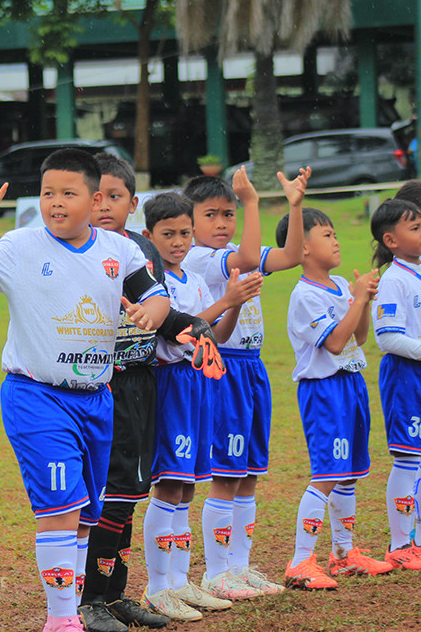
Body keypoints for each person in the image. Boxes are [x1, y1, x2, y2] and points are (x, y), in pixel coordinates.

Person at [0, 149, 170, 632]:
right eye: (47, 192)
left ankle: (69, 611)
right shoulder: (19, 246)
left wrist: (151, 311)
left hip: (97, 400)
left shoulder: (120, 250)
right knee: (60, 509)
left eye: (67, 193)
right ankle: (61, 620)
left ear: (94, 200)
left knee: (86, 516)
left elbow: (155, 294)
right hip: (37, 396)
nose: (54, 202)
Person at [80, 154, 224, 632]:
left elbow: (157, 310)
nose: (103, 206)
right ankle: (89, 599)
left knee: (132, 490)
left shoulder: (140, 248)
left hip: (144, 381)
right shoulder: (78, 251)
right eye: (94, 196)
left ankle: (116, 593)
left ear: (131, 203)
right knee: (109, 493)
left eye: (114, 197)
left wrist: (194, 326)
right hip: (105, 383)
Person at [180, 166, 307, 599]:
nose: (222, 223)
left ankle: (239, 565)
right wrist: (252, 201)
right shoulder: (199, 256)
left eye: (229, 214)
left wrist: (293, 205)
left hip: (252, 367)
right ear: (190, 221)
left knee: (250, 473)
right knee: (226, 474)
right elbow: (251, 261)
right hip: (224, 366)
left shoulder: (236, 247)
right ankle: (217, 572)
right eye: (211, 215)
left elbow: (290, 258)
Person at [139, 192, 262, 621]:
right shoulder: (155, 284)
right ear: (147, 236)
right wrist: (226, 300)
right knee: (169, 485)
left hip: (200, 384)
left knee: (188, 488)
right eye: (167, 234)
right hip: (171, 383)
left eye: (185, 233)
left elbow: (215, 334)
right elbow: (180, 333)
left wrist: (235, 302)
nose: (178, 242)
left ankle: (180, 581)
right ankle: (158, 588)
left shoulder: (192, 278)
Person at [275, 207, 393, 589]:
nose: (336, 239)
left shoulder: (341, 285)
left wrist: (363, 300)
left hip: (352, 384)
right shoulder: (304, 295)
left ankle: (344, 554)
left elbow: (357, 338)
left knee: (349, 476)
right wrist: (358, 300)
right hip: (324, 390)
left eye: (335, 232)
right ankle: (300, 562)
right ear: (303, 247)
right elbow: (335, 341)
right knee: (327, 475)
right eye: (326, 234)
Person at [369, 198, 421, 569]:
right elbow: (388, 339)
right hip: (406, 376)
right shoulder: (393, 279)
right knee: (409, 459)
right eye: (415, 227)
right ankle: (402, 544)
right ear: (392, 240)